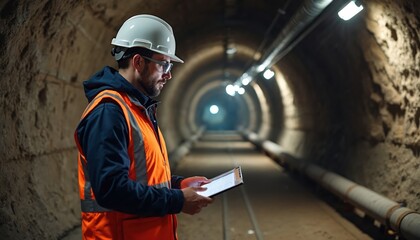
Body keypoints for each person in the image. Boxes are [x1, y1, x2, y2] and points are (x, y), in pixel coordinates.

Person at [74, 14, 213, 240]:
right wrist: (178, 200)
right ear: (138, 62)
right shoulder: (109, 112)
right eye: (164, 63)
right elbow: (112, 189)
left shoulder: (138, 108)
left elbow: (142, 177)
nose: (168, 74)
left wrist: (178, 185)